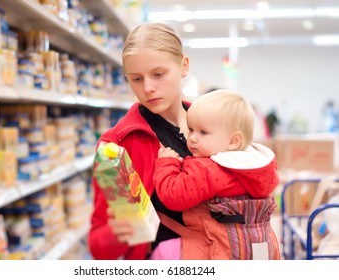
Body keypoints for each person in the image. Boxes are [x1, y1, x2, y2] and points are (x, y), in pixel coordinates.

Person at [88, 22, 192, 260]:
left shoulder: (214, 125)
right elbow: (99, 247)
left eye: (158, 74)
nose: (148, 88)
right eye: (136, 79)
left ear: (183, 66)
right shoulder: (113, 147)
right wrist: (116, 234)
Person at [152, 89, 281, 260]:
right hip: (261, 247)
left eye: (203, 132)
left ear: (234, 141)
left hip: (218, 251)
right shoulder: (258, 166)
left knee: (163, 252)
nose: (192, 138)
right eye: (191, 129)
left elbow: (173, 196)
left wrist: (167, 163)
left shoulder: (208, 169)